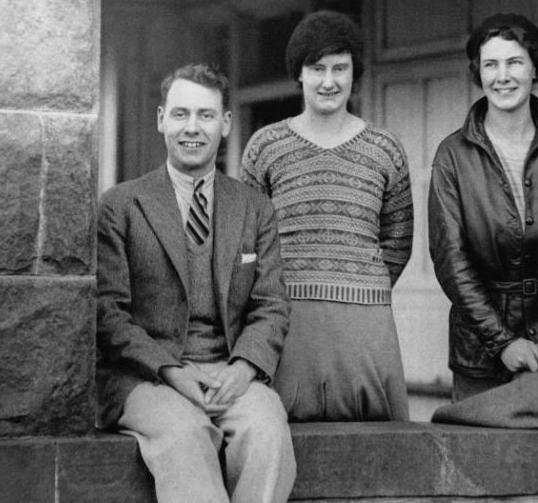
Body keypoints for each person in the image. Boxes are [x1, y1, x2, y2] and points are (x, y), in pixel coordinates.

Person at [96, 63, 296, 503]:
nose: (192, 128)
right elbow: (109, 315)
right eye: (181, 114)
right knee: (187, 435)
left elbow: (271, 305)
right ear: (161, 119)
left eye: (206, 115)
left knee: (267, 430)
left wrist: (244, 368)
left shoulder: (254, 208)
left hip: (229, 371)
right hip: (147, 378)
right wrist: (172, 372)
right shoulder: (121, 206)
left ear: (225, 124)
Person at [241, 10, 413, 421]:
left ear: (355, 73)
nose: (329, 81)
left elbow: (399, 239)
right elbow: (244, 241)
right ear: (298, 74)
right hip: (286, 322)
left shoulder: (385, 148)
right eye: (316, 68)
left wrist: (361, 285)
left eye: (340, 68)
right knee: (283, 438)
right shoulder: (265, 146)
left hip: (365, 326)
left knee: (376, 450)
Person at [428, 13, 538, 405]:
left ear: (534, 68)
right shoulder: (452, 155)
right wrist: (502, 341)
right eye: (490, 65)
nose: (502, 76)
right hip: (481, 353)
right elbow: (451, 259)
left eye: (514, 62)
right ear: (478, 72)